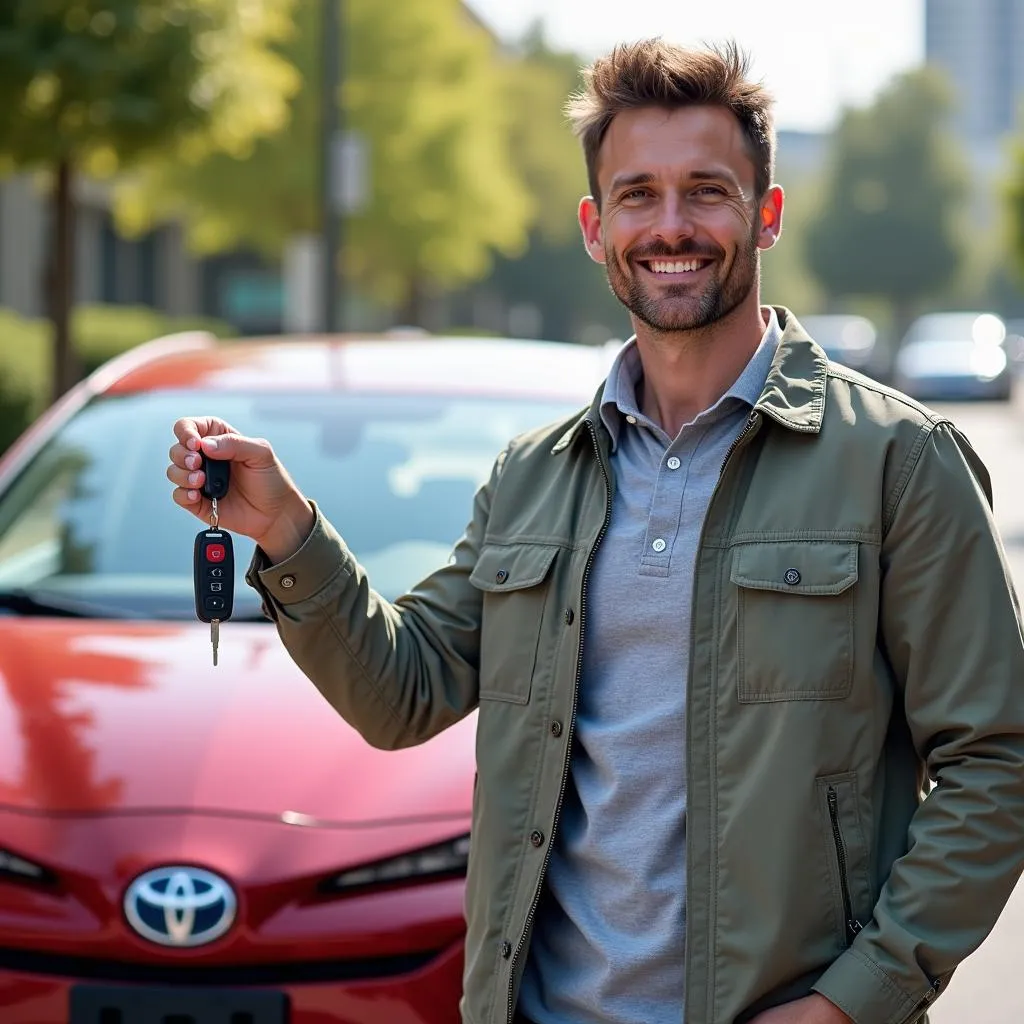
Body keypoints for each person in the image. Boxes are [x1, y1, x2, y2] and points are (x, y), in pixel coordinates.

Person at [166, 38, 1024, 1024]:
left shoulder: (895, 461)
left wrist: (848, 1004)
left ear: (768, 213)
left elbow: (994, 761)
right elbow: (402, 694)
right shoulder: (536, 474)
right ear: (593, 225)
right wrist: (287, 531)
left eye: (707, 190)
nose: (671, 226)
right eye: (637, 194)